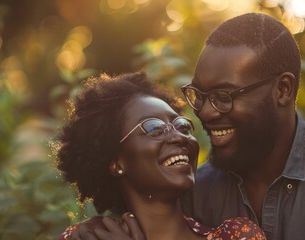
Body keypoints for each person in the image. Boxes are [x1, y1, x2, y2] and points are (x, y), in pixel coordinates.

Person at [64, 13, 305, 239]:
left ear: (283, 90)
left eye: (223, 96)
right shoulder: (194, 190)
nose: (205, 112)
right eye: (199, 95)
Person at [53, 72, 266, 240]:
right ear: (116, 162)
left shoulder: (238, 235)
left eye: (182, 126)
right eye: (154, 128)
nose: (179, 137)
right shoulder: (87, 238)